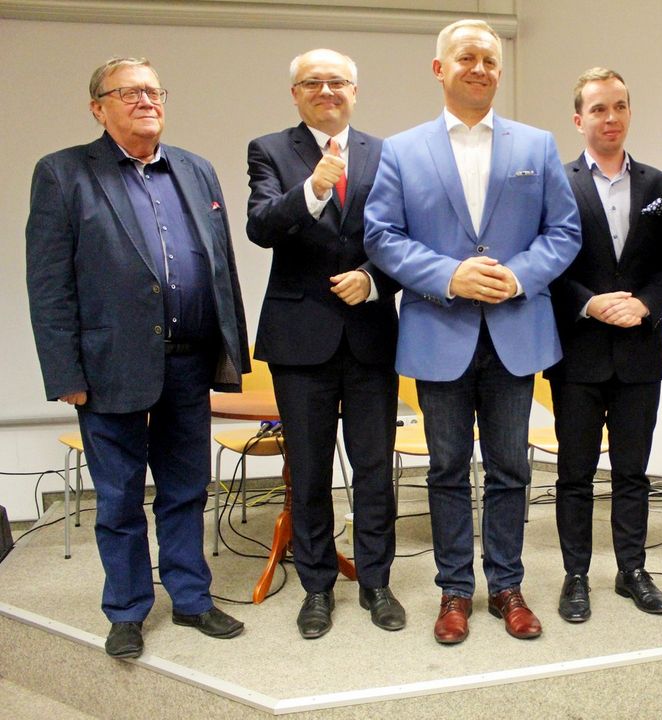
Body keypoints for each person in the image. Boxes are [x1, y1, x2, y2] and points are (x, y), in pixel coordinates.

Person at [364, 19, 581, 644]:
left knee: (512, 468)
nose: (479, 68)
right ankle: (454, 590)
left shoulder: (536, 146)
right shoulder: (401, 150)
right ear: (440, 69)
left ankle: (507, 586)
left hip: (515, 331)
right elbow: (382, 236)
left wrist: (517, 277)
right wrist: (449, 276)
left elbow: (564, 231)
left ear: (500, 71)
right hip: (440, 331)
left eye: (489, 59)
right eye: (466, 58)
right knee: (447, 470)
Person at [26, 57, 249, 658]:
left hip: (189, 361)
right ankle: (126, 609)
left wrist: (231, 350)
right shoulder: (63, 173)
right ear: (98, 108)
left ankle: (192, 599)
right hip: (108, 365)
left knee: (186, 489)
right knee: (120, 497)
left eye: (153, 91)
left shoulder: (196, 170)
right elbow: (48, 283)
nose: (146, 100)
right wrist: (64, 371)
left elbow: (220, 265)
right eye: (128, 92)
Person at [247, 49, 401, 639]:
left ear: (355, 91)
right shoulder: (269, 150)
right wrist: (311, 189)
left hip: (369, 335)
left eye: (338, 81)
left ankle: (376, 581)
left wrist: (374, 279)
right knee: (309, 472)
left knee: (374, 469)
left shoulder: (386, 154)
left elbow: (405, 238)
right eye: (313, 82)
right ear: (295, 93)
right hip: (299, 338)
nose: (326, 90)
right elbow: (261, 226)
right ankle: (316, 587)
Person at [547, 68, 662, 623]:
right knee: (575, 474)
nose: (611, 118)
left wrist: (645, 304)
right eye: (599, 109)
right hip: (577, 353)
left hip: (639, 351)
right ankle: (575, 575)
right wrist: (589, 303)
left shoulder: (661, 187)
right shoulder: (555, 184)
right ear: (579, 119)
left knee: (632, 472)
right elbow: (547, 265)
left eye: (620, 106)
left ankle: (632, 571)